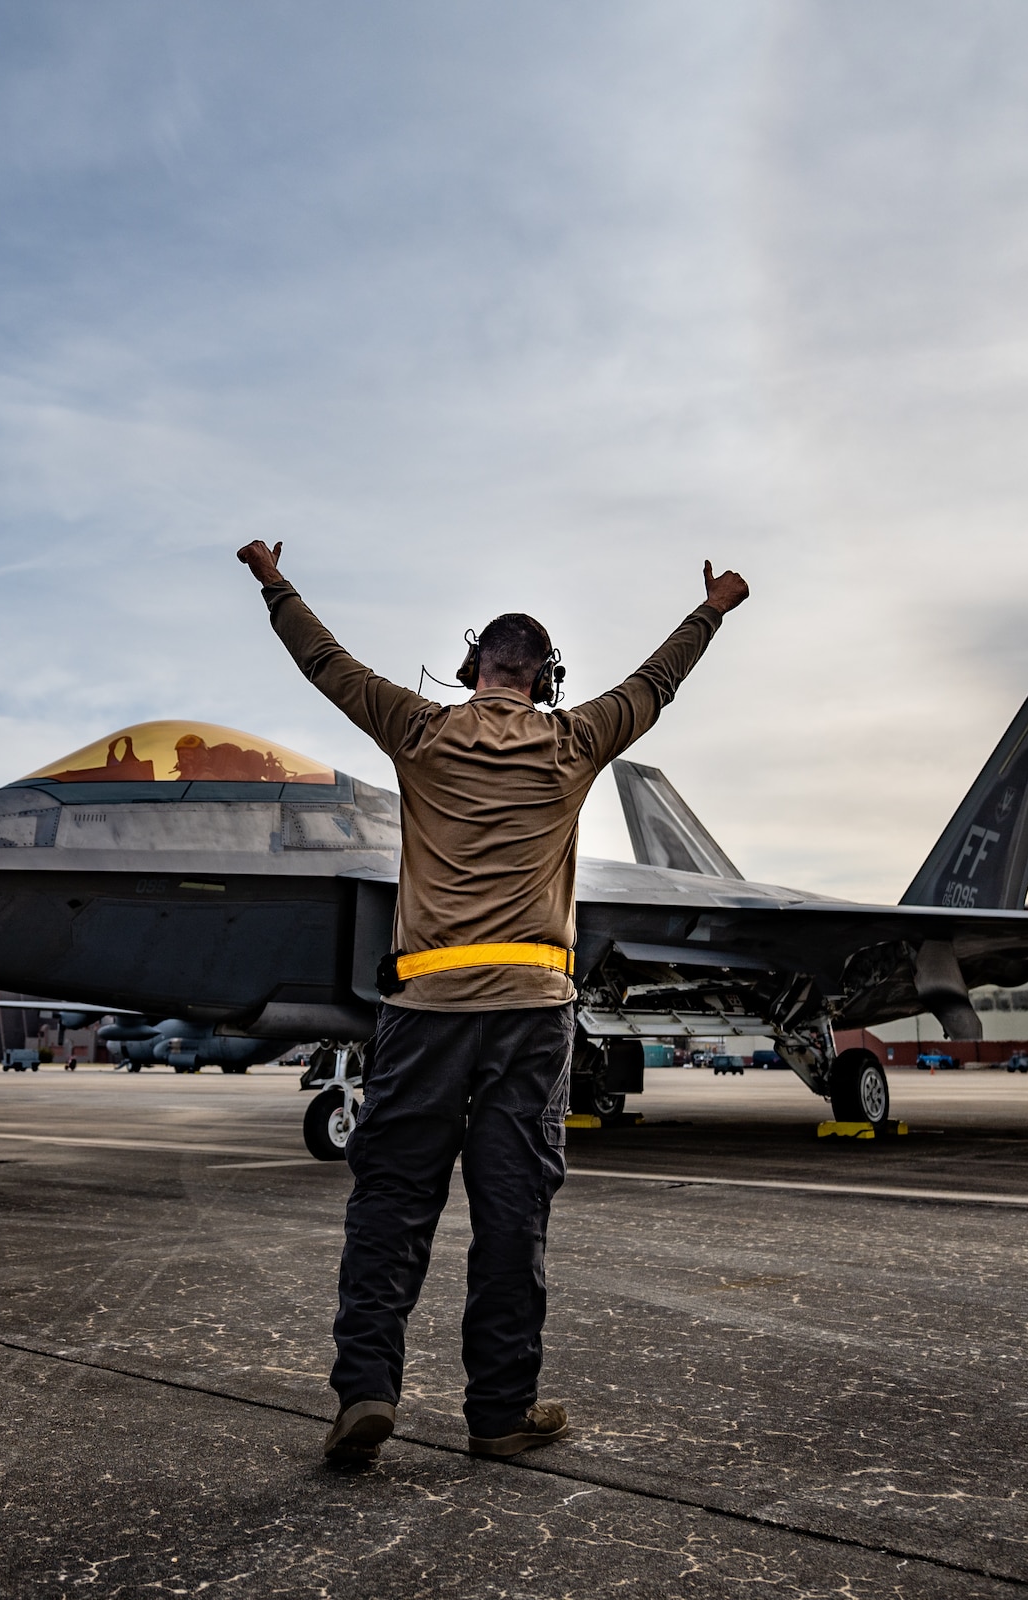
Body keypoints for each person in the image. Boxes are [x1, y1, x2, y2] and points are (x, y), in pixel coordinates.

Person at [237, 539, 748, 1466]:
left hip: (426, 1006)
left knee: (391, 1204)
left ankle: (366, 1392)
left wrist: (275, 582)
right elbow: (657, 680)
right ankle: (500, 1415)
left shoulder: (419, 730)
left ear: (474, 668)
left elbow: (326, 661)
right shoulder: (577, 739)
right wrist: (714, 608)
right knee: (513, 1211)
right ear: (545, 679)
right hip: (531, 1009)